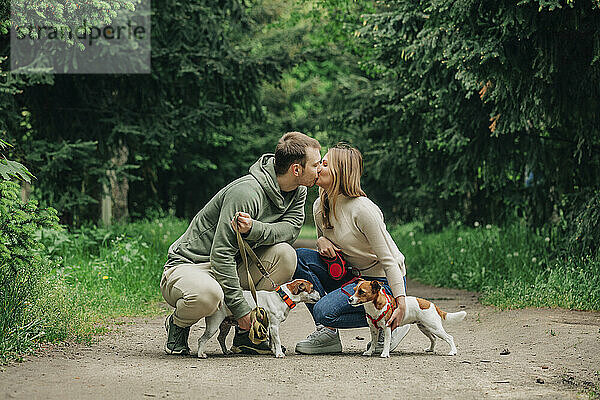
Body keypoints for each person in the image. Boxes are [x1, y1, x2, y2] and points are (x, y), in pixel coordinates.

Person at [161, 132, 322, 355]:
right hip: (191, 265)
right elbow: (221, 255)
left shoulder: (298, 191)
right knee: (209, 295)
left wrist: (254, 228)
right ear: (296, 169)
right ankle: (178, 325)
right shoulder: (246, 193)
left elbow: (290, 230)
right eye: (316, 165)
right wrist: (240, 307)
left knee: (285, 255)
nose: (320, 169)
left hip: (234, 265)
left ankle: (247, 336)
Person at [293, 143, 410, 354]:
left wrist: (401, 304)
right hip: (353, 276)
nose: (318, 167)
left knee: (323, 311)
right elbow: (326, 245)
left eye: (325, 164)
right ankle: (327, 335)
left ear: (341, 172)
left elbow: (389, 260)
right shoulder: (319, 205)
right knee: (299, 257)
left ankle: (391, 319)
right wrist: (321, 242)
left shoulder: (363, 209)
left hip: (381, 282)